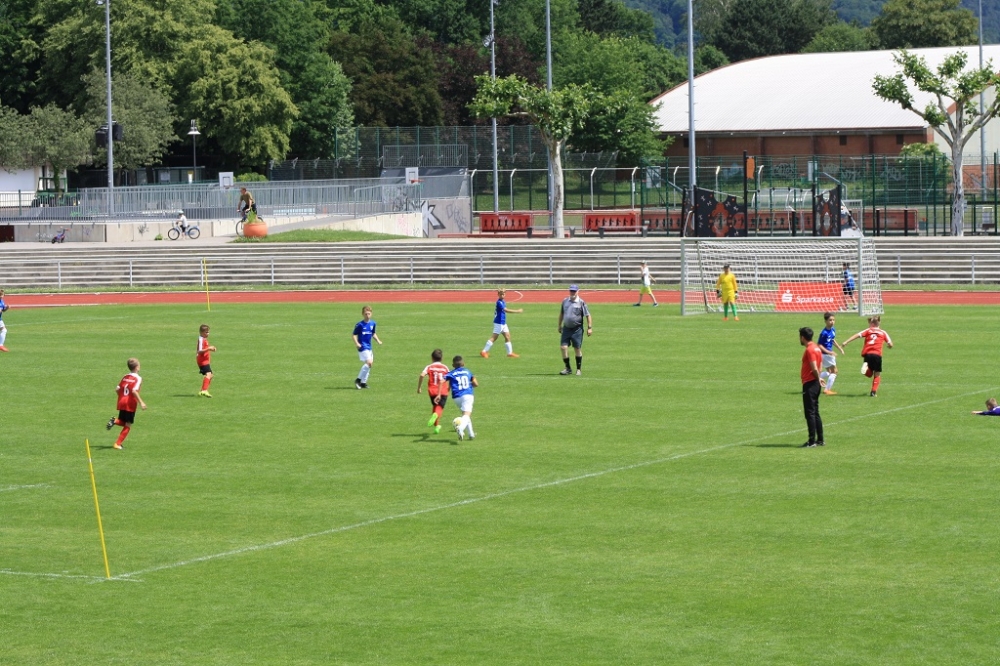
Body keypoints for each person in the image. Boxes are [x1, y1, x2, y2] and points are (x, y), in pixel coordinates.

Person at [843, 315, 893, 397]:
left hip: (868, 354)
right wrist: (889, 346)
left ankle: (866, 368)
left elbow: (857, 335)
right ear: (879, 322)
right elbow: (890, 344)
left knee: (869, 374)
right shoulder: (883, 332)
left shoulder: (868, 330)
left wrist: (846, 342)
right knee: (877, 374)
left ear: (871, 323)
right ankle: (873, 392)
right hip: (877, 354)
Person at [106, 358, 147, 450]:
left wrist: (122, 397)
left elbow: (117, 389)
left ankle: (115, 421)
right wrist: (141, 402)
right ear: (137, 367)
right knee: (128, 424)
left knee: (124, 421)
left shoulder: (125, 376)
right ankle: (117, 444)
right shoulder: (138, 378)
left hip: (122, 401)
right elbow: (134, 391)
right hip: (130, 403)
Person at [799, 327, 825, 448]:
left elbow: (814, 367)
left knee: (810, 413)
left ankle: (811, 441)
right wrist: (819, 377)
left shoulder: (810, 349)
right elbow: (820, 365)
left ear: (802, 337)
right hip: (815, 383)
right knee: (815, 412)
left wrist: (818, 377)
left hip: (810, 383)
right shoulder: (816, 347)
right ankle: (820, 439)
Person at [558, 284, 592, 375]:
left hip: (577, 329)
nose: (572, 292)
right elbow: (562, 314)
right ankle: (568, 368)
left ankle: (578, 369)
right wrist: (559, 325)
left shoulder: (581, 302)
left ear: (577, 291)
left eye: (574, 291)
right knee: (563, 347)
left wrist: (589, 327)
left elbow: (588, 315)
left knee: (577, 348)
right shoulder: (565, 301)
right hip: (566, 328)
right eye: (571, 291)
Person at [481, 288, 523, 358]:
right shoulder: (499, 302)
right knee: (494, 338)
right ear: (498, 295)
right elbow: (505, 310)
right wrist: (517, 311)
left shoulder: (503, 301)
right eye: (501, 294)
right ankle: (484, 351)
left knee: (507, 336)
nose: (502, 295)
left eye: (503, 294)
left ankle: (510, 353)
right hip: (499, 323)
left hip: (503, 323)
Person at [444, 355, 478, 441]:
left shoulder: (451, 373)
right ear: (463, 364)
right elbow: (476, 384)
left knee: (465, 414)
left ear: (453, 365)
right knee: (466, 415)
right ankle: (460, 428)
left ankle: (471, 434)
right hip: (467, 395)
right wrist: (470, 385)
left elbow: (443, 380)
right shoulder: (467, 371)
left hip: (456, 397)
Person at [418, 349, 450, 434]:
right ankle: (436, 416)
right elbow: (451, 377)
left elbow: (422, 375)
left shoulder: (429, 367)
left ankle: (437, 426)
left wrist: (419, 387)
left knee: (435, 406)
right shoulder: (445, 367)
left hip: (432, 391)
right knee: (439, 408)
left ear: (432, 358)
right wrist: (449, 387)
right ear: (442, 358)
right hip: (442, 390)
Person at [352, 305, 382, 389]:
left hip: (369, 347)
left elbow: (373, 333)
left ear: (371, 314)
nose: (367, 315)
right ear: (362, 314)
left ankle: (363, 382)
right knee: (369, 363)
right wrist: (357, 343)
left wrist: (378, 340)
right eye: (365, 314)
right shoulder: (360, 325)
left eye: (369, 314)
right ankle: (358, 380)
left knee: (369, 365)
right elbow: (354, 335)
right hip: (362, 346)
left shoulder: (373, 323)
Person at [817, 312, 846, 395]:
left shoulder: (833, 330)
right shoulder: (824, 333)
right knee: (834, 372)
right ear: (825, 321)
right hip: (826, 354)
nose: (832, 322)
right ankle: (827, 390)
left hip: (827, 354)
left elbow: (832, 340)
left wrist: (839, 348)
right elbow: (819, 345)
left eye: (833, 320)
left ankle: (816, 378)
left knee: (830, 372)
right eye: (830, 320)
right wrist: (829, 352)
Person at [196, 324, 217, 397]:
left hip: (205, 360)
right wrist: (209, 348)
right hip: (202, 361)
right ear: (201, 332)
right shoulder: (201, 339)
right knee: (208, 374)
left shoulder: (203, 339)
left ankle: (202, 391)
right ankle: (204, 390)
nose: (208, 333)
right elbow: (199, 351)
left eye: (208, 332)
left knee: (211, 375)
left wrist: (211, 349)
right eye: (206, 332)